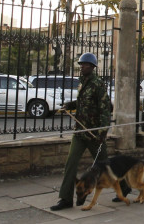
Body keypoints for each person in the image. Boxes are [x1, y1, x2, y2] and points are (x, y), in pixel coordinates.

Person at [50, 52, 129, 211]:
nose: (82, 67)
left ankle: (124, 187)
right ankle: (65, 199)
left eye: (85, 64)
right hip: (80, 132)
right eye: (81, 64)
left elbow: (105, 109)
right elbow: (82, 102)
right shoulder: (82, 82)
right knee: (70, 164)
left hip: (93, 134)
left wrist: (102, 131)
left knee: (106, 166)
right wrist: (70, 105)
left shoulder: (97, 84)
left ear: (92, 67)